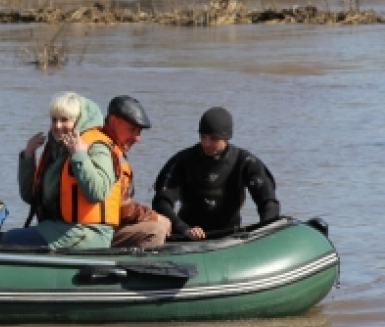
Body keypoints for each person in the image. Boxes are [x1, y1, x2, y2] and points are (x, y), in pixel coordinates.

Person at [0, 91, 116, 249]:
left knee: (9, 240)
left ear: (79, 121)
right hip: (58, 227)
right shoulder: (56, 150)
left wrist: (79, 156)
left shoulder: (97, 147)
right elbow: (31, 198)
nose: (58, 126)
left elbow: (97, 192)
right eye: (54, 120)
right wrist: (28, 156)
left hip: (87, 232)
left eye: (65, 120)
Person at [152, 106, 280, 240]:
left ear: (226, 138)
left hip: (229, 236)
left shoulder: (245, 162)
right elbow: (161, 202)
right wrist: (183, 229)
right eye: (203, 136)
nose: (206, 143)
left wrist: (264, 234)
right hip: (188, 236)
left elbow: (268, 202)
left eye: (213, 138)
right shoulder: (183, 161)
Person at [101, 96, 171, 249]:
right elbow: (122, 208)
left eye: (139, 131)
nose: (137, 138)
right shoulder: (104, 153)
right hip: (97, 231)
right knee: (156, 230)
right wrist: (154, 217)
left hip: (98, 225)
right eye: (132, 130)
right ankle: (137, 269)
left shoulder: (106, 145)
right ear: (113, 121)